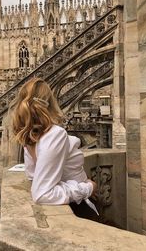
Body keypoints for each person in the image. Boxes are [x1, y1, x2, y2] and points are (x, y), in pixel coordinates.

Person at [12, 77, 97, 207]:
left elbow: (33, 176)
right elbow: (43, 194)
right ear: (49, 102)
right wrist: (88, 188)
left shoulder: (32, 135)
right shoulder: (54, 134)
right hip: (75, 205)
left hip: (71, 200)